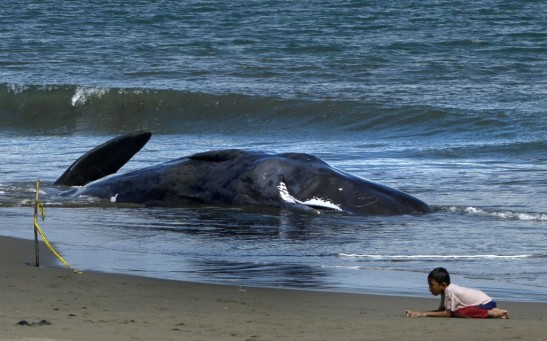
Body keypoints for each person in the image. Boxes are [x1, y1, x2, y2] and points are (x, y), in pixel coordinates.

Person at [405, 267, 509, 318]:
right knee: (458, 311)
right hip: (484, 304)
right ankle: (493, 312)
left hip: (486, 304)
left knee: (459, 312)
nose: (429, 288)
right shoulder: (444, 292)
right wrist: (419, 312)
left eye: (432, 285)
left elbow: (447, 313)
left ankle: (493, 313)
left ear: (443, 285)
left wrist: (424, 314)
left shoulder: (449, 290)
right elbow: (441, 310)